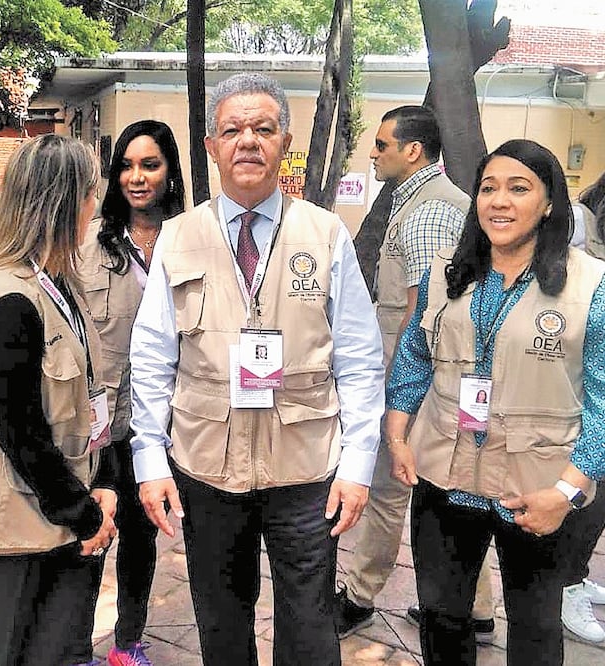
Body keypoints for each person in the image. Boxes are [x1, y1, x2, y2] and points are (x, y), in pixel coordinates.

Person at [129, 72, 385, 666]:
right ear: (213, 145)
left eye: (263, 128)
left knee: (310, 621)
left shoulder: (323, 234)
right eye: (233, 130)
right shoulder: (177, 237)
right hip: (204, 463)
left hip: (306, 465)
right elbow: (152, 357)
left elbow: (358, 353)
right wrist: (148, 460)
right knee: (220, 617)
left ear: (284, 141)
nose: (248, 141)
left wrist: (357, 465)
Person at [385, 138, 605, 665]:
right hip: (445, 477)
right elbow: (415, 353)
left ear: (550, 203)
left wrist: (567, 494)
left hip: (537, 489)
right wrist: (397, 437)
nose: (499, 202)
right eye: (488, 188)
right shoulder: (447, 272)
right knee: (441, 616)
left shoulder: (589, 285)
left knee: (533, 627)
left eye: (519, 188)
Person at [0, 134, 117, 666]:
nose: (96, 207)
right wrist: (85, 515)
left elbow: (79, 403)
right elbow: (20, 432)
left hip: (54, 516)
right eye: (91, 194)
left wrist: (99, 486)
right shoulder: (11, 300)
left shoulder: (51, 283)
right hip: (12, 530)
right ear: (66, 203)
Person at [335, 105, 496, 644]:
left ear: (413, 151)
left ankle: (359, 595)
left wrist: (400, 398)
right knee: (456, 488)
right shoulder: (431, 203)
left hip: (421, 381)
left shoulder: (428, 212)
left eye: (381, 145)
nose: (373, 154)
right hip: (442, 381)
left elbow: (425, 314)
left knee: (387, 490)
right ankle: (475, 607)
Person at [78, 119, 186, 666]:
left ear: (170, 171)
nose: (137, 178)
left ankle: (127, 643)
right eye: (126, 165)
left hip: (161, 426)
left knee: (143, 540)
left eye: (150, 165)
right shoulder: (88, 241)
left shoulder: (192, 240)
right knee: (90, 534)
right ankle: (75, 644)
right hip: (97, 426)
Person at [557, 170, 605, 643]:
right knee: (586, 488)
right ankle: (564, 584)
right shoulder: (578, 221)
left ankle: (575, 570)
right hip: (576, 378)